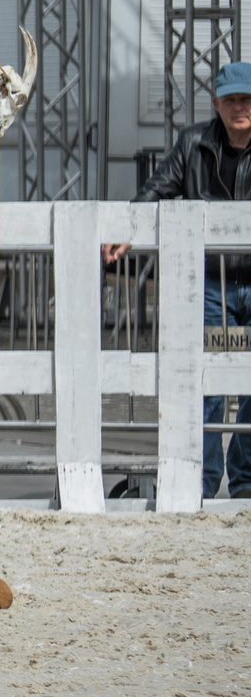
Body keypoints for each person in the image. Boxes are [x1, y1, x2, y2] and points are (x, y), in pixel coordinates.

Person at [110, 59, 251, 498]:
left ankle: (245, 481)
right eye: (231, 100)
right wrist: (127, 232)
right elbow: (158, 187)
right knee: (203, 381)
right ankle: (202, 483)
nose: (239, 108)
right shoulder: (193, 143)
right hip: (208, 282)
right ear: (216, 104)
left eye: (246, 99)